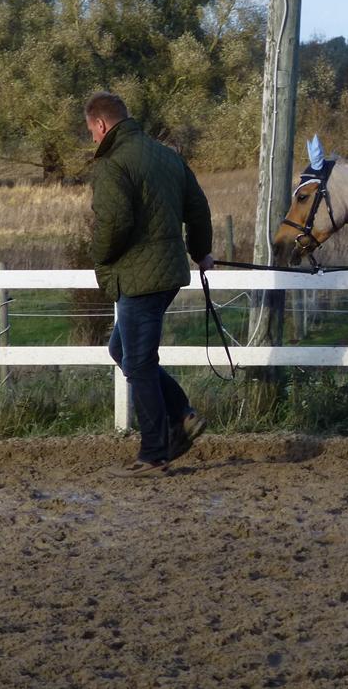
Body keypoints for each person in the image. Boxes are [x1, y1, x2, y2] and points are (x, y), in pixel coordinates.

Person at [85, 91, 214, 477]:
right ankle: (183, 415)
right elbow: (198, 207)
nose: (93, 138)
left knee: (139, 364)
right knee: (121, 350)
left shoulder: (112, 163)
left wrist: (99, 256)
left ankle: (154, 454)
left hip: (139, 277)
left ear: (101, 124)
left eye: (91, 131)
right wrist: (201, 251)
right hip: (169, 273)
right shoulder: (166, 155)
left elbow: (114, 223)